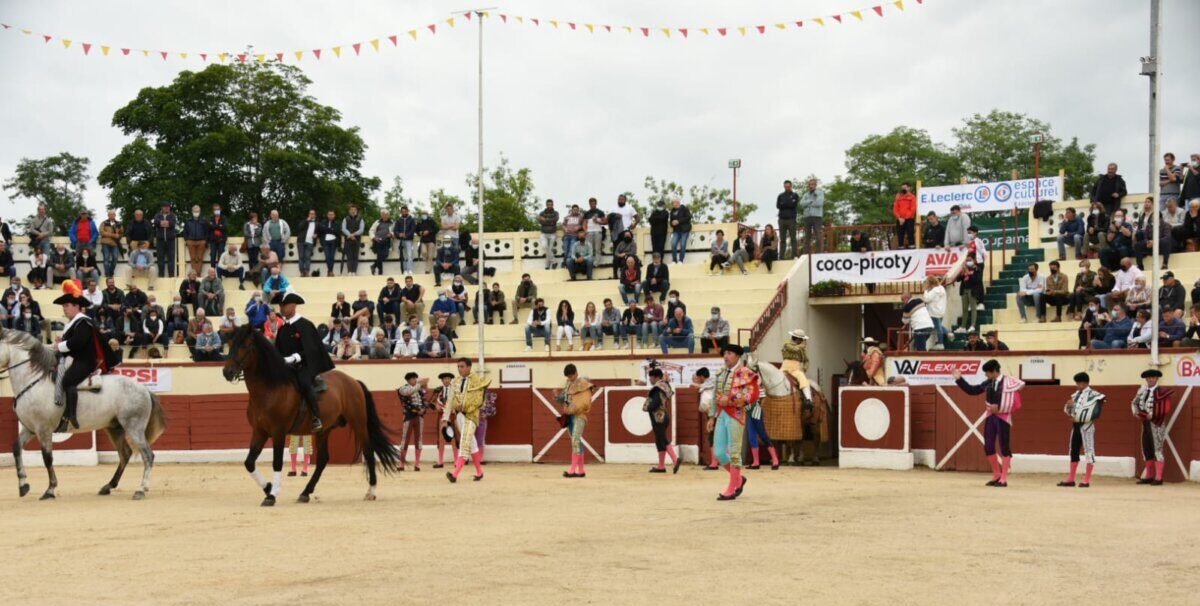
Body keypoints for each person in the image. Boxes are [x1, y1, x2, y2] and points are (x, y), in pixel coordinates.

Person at [953, 360, 1024, 487]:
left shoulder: (1008, 382)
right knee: (989, 446)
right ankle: (996, 474)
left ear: (994, 371)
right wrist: (959, 379)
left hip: (1004, 417)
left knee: (1004, 446)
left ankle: (1004, 478)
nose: (986, 375)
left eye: (987, 372)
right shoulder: (989, 382)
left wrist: (1000, 406)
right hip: (991, 416)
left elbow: (1016, 394)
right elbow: (972, 390)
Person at [273, 291, 331, 432]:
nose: (281, 309)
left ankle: (316, 417)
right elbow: (278, 349)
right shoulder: (282, 328)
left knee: (305, 384)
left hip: (304, 366)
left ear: (293, 306)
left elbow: (312, 349)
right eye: (280, 306)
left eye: (284, 305)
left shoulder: (305, 325)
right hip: (286, 368)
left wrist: (294, 358)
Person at [51, 280, 105, 431]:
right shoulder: (73, 323)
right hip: (74, 359)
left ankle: (71, 415)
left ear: (76, 306)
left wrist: (60, 345)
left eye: (67, 305)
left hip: (84, 361)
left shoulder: (83, 322)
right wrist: (62, 342)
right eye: (63, 306)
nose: (64, 308)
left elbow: (77, 342)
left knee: (68, 381)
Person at [712, 343, 758, 500]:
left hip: (736, 415)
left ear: (738, 356)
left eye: (729, 353)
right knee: (719, 452)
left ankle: (732, 489)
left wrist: (730, 401)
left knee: (734, 452)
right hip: (722, 414)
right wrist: (711, 416)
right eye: (725, 353)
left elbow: (752, 395)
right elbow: (715, 394)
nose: (726, 356)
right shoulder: (720, 373)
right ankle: (739, 479)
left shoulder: (745, 373)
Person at [443, 357, 491, 483]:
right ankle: (480, 472)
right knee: (472, 444)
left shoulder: (477, 380)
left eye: (462, 366)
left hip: (471, 416)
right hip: (459, 417)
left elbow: (478, 402)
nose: (460, 369)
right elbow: (450, 400)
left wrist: (462, 407)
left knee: (464, 442)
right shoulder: (456, 381)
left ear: (469, 367)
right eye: (458, 367)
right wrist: (445, 418)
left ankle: (455, 474)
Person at [1056, 372, 1105, 488]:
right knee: (1074, 450)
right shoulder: (1075, 395)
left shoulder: (1095, 395)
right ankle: (1071, 479)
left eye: (1078, 383)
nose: (1077, 385)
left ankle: (1086, 480)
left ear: (1084, 383)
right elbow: (1071, 412)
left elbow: (1096, 413)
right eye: (1077, 383)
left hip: (1087, 426)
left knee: (1089, 451)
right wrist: (1069, 407)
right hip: (1076, 426)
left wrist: (1078, 417)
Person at [1132, 369, 1172, 486]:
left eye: (1153, 377)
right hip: (1145, 423)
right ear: (1146, 379)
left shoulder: (1162, 392)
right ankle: (1149, 476)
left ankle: (1159, 478)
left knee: (1157, 449)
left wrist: (1154, 415)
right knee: (1147, 448)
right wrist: (1136, 412)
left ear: (1157, 379)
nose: (1150, 379)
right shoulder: (1142, 391)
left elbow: (1166, 408)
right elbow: (1134, 403)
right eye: (1148, 378)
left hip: (1157, 423)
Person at [641, 366, 681, 474]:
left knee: (662, 439)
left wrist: (648, 407)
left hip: (658, 417)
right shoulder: (664, 386)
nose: (650, 379)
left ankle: (675, 459)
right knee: (659, 440)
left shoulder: (657, 388)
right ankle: (661, 466)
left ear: (657, 377)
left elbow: (655, 403)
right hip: (663, 415)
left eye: (651, 377)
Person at [560, 364, 595, 478]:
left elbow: (584, 403)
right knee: (577, 441)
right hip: (570, 417)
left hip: (579, 416)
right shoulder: (568, 384)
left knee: (575, 440)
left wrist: (571, 409)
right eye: (568, 377)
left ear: (576, 373)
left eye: (571, 376)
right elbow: (565, 399)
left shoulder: (583, 384)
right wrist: (559, 399)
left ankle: (572, 470)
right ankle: (581, 470)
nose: (570, 378)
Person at [397, 372, 430, 471]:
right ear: (408, 380)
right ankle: (402, 464)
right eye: (413, 379)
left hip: (419, 416)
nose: (415, 380)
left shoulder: (419, 389)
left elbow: (425, 400)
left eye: (416, 378)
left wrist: (423, 409)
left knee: (419, 439)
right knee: (405, 440)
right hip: (408, 416)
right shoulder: (403, 389)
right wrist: (420, 384)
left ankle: (417, 464)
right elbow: (409, 392)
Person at [781, 329, 814, 407]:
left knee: (803, 379)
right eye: (802, 339)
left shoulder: (802, 349)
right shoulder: (787, 344)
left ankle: (808, 399)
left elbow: (806, 361)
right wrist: (802, 345)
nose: (802, 341)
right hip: (785, 369)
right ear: (798, 339)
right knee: (775, 378)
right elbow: (794, 349)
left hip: (796, 370)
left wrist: (804, 368)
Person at [955, 256, 983, 333]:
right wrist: (962, 271)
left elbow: (976, 280)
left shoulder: (977, 269)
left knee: (973, 308)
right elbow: (958, 279)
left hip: (972, 290)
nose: (968, 262)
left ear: (974, 260)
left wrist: (968, 272)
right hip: (964, 290)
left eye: (969, 260)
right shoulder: (964, 269)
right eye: (967, 260)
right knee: (964, 309)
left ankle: (972, 325)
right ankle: (963, 326)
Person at [182, 205, 209, 276]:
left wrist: (205, 241)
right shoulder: (188, 221)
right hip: (191, 241)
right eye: (195, 211)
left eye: (197, 211)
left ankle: (199, 273)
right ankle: (194, 274)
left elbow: (207, 232)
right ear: (192, 211)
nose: (196, 212)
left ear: (200, 211)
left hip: (201, 241)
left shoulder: (203, 221)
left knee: (200, 258)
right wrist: (187, 240)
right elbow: (185, 232)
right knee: (193, 258)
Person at [922, 276, 949, 350]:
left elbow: (926, 299)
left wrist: (925, 291)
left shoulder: (934, 291)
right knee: (938, 326)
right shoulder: (941, 288)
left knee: (938, 327)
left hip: (934, 311)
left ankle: (940, 343)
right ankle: (948, 333)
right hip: (941, 311)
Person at [153, 202, 178, 278]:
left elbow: (172, 223)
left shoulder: (173, 215)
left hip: (170, 240)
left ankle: (171, 275)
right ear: (162, 207)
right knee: (160, 258)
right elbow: (156, 223)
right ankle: (161, 275)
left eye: (168, 207)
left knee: (171, 258)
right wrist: (166, 223)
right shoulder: (157, 215)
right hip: (160, 240)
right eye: (165, 207)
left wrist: (162, 223)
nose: (167, 208)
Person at [776, 180, 800, 260]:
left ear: (791, 186)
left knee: (793, 238)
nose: (787, 188)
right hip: (782, 220)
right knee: (782, 239)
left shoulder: (795, 195)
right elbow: (778, 206)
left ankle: (794, 255)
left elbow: (794, 204)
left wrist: (784, 204)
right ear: (784, 187)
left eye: (788, 186)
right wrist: (789, 203)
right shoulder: (780, 196)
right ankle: (781, 256)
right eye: (786, 186)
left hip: (791, 219)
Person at [341, 204, 365, 276]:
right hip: (348, 240)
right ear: (349, 211)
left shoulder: (360, 219)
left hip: (356, 239)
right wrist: (350, 235)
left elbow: (361, 230)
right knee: (349, 256)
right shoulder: (345, 219)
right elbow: (343, 229)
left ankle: (354, 271)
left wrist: (353, 234)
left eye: (354, 210)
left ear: (356, 211)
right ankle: (349, 271)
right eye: (351, 210)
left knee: (355, 256)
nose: (353, 211)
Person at [98, 210, 123, 278]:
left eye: (113, 214)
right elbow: (101, 232)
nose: (112, 215)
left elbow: (121, 233)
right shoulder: (104, 223)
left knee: (115, 258)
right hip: (105, 243)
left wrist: (119, 236)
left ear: (115, 215)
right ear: (108, 215)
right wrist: (112, 235)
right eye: (110, 214)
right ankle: (107, 275)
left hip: (115, 243)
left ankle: (110, 272)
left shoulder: (119, 223)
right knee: (106, 258)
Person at [536, 200, 560, 269]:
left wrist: (545, 220)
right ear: (546, 205)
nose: (550, 206)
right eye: (548, 204)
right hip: (544, 233)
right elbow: (541, 222)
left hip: (553, 234)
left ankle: (547, 266)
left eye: (551, 204)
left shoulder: (556, 213)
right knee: (545, 247)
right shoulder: (542, 213)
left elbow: (555, 220)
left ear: (553, 205)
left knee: (549, 249)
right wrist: (549, 221)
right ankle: (554, 261)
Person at [582, 198, 607, 263]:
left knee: (597, 249)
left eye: (594, 204)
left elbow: (605, 222)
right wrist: (585, 230)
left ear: (596, 203)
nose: (592, 205)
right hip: (589, 232)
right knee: (589, 249)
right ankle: (589, 263)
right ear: (589, 204)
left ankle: (596, 263)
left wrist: (598, 222)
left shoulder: (600, 212)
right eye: (591, 204)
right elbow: (584, 223)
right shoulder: (587, 213)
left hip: (598, 232)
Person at [893, 183, 917, 249]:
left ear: (909, 188)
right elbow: (895, 209)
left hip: (909, 219)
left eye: (905, 187)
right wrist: (899, 218)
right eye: (902, 188)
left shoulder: (912, 197)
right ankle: (901, 247)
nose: (903, 189)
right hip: (900, 220)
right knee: (900, 235)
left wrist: (905, 218)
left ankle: (912, 247)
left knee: (910, 234)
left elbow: (913, 209)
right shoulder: (898, 197)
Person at [668, 198, 692, 263]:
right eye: (672, 203)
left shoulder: (685, 209)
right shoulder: (672, 211)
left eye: (673, 203)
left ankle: (681, 260)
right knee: (673, 244)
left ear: (678, 202)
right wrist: (672, 223)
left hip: (684, 230)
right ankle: (674, 260)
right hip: (676, 231)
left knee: (683, 244)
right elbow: (671, 222)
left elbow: (688, 217)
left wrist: (678, 221)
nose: (672, 204)